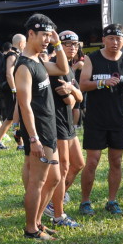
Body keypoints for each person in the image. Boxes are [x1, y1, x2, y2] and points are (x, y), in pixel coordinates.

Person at [13, 15, 70, 240]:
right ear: (31, 34)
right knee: (37, 182)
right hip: (38, 131)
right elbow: (24, 105)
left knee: (55, 178)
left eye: (49, 35)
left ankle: (37, 221)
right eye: (43, 35)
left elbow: (62, 68)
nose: (47, 39)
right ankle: (31, 229)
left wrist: (57, 43)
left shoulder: (38, 61)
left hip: (49, 127)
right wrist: (34, 139)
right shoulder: (25, 66)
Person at [77, 23, 123, 216]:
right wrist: (103, 82)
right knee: (93, 161)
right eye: (111, 38)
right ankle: (85, 201)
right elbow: (83, 85)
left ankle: (112, 201)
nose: (114, 42)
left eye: (118, 39)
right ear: (103, 40)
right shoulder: (92, 58)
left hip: (118, 118)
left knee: (116, 161)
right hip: (96, 117)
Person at [50, 31, 84, 223]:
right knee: (62, 169)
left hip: (68, 122)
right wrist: (73, 93)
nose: (73, 48)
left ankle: (54, 199)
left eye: (76, 44)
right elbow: (70, 101)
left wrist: (72, 90)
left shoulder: (69, 69)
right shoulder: (56, 68)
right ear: (59, 46)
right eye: (68, 44)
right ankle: (57, 213)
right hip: (57, 122)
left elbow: (79, 97)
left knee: (78, 164)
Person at [0, 36, 24, 150]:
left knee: (12, 117)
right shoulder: (12, 55)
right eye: (24, 43)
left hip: (11, 90)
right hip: (10, 90)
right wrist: (14, 89)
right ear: (20, 43)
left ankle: (19, 144)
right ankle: (0, 142)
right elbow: (9, 74)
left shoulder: (13, 54)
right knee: (12, 117)